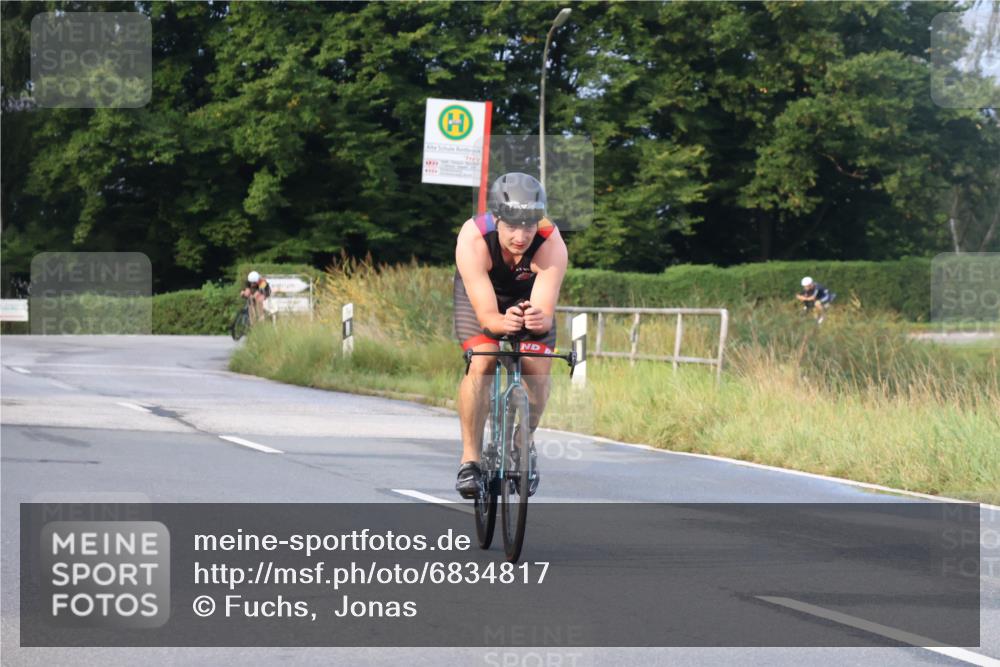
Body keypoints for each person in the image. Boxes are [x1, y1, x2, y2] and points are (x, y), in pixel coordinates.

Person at [453, 172, 568, 499]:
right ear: (497, 219)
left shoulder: (551, 241)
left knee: (538, 370)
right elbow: (489, 318)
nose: (521, 236)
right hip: (482, 301)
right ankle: (470, 460)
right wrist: (503, 322)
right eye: (512, 226)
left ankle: (521, 442)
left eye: (529, 227)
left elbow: (544, 316)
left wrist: (536, 317)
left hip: (526, 299)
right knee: (482, 364)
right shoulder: (474, 237)